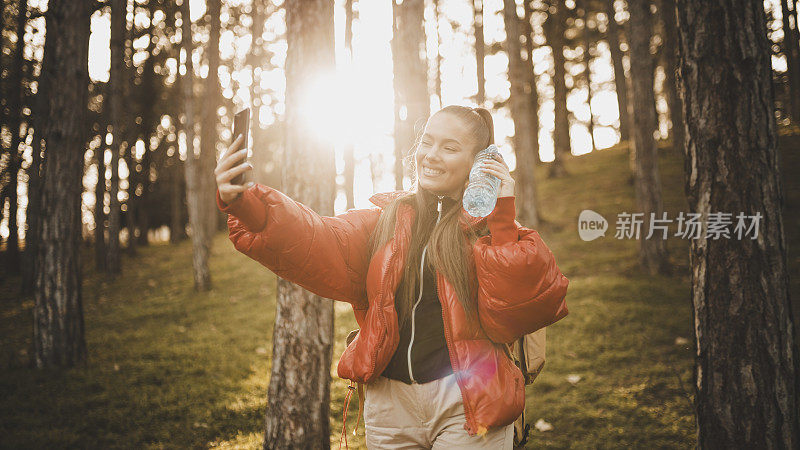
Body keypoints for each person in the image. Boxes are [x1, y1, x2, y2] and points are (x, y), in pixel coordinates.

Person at [214, 105, 570, 449]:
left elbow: (518, 311)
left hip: (468, 399)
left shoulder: (490, 232)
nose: (430, 155)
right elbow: (316, 238)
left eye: (449, 147)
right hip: (390, 407)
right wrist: (247, 202)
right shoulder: (384, 219)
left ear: (479, 163)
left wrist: (501, 216)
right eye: (427, 141)